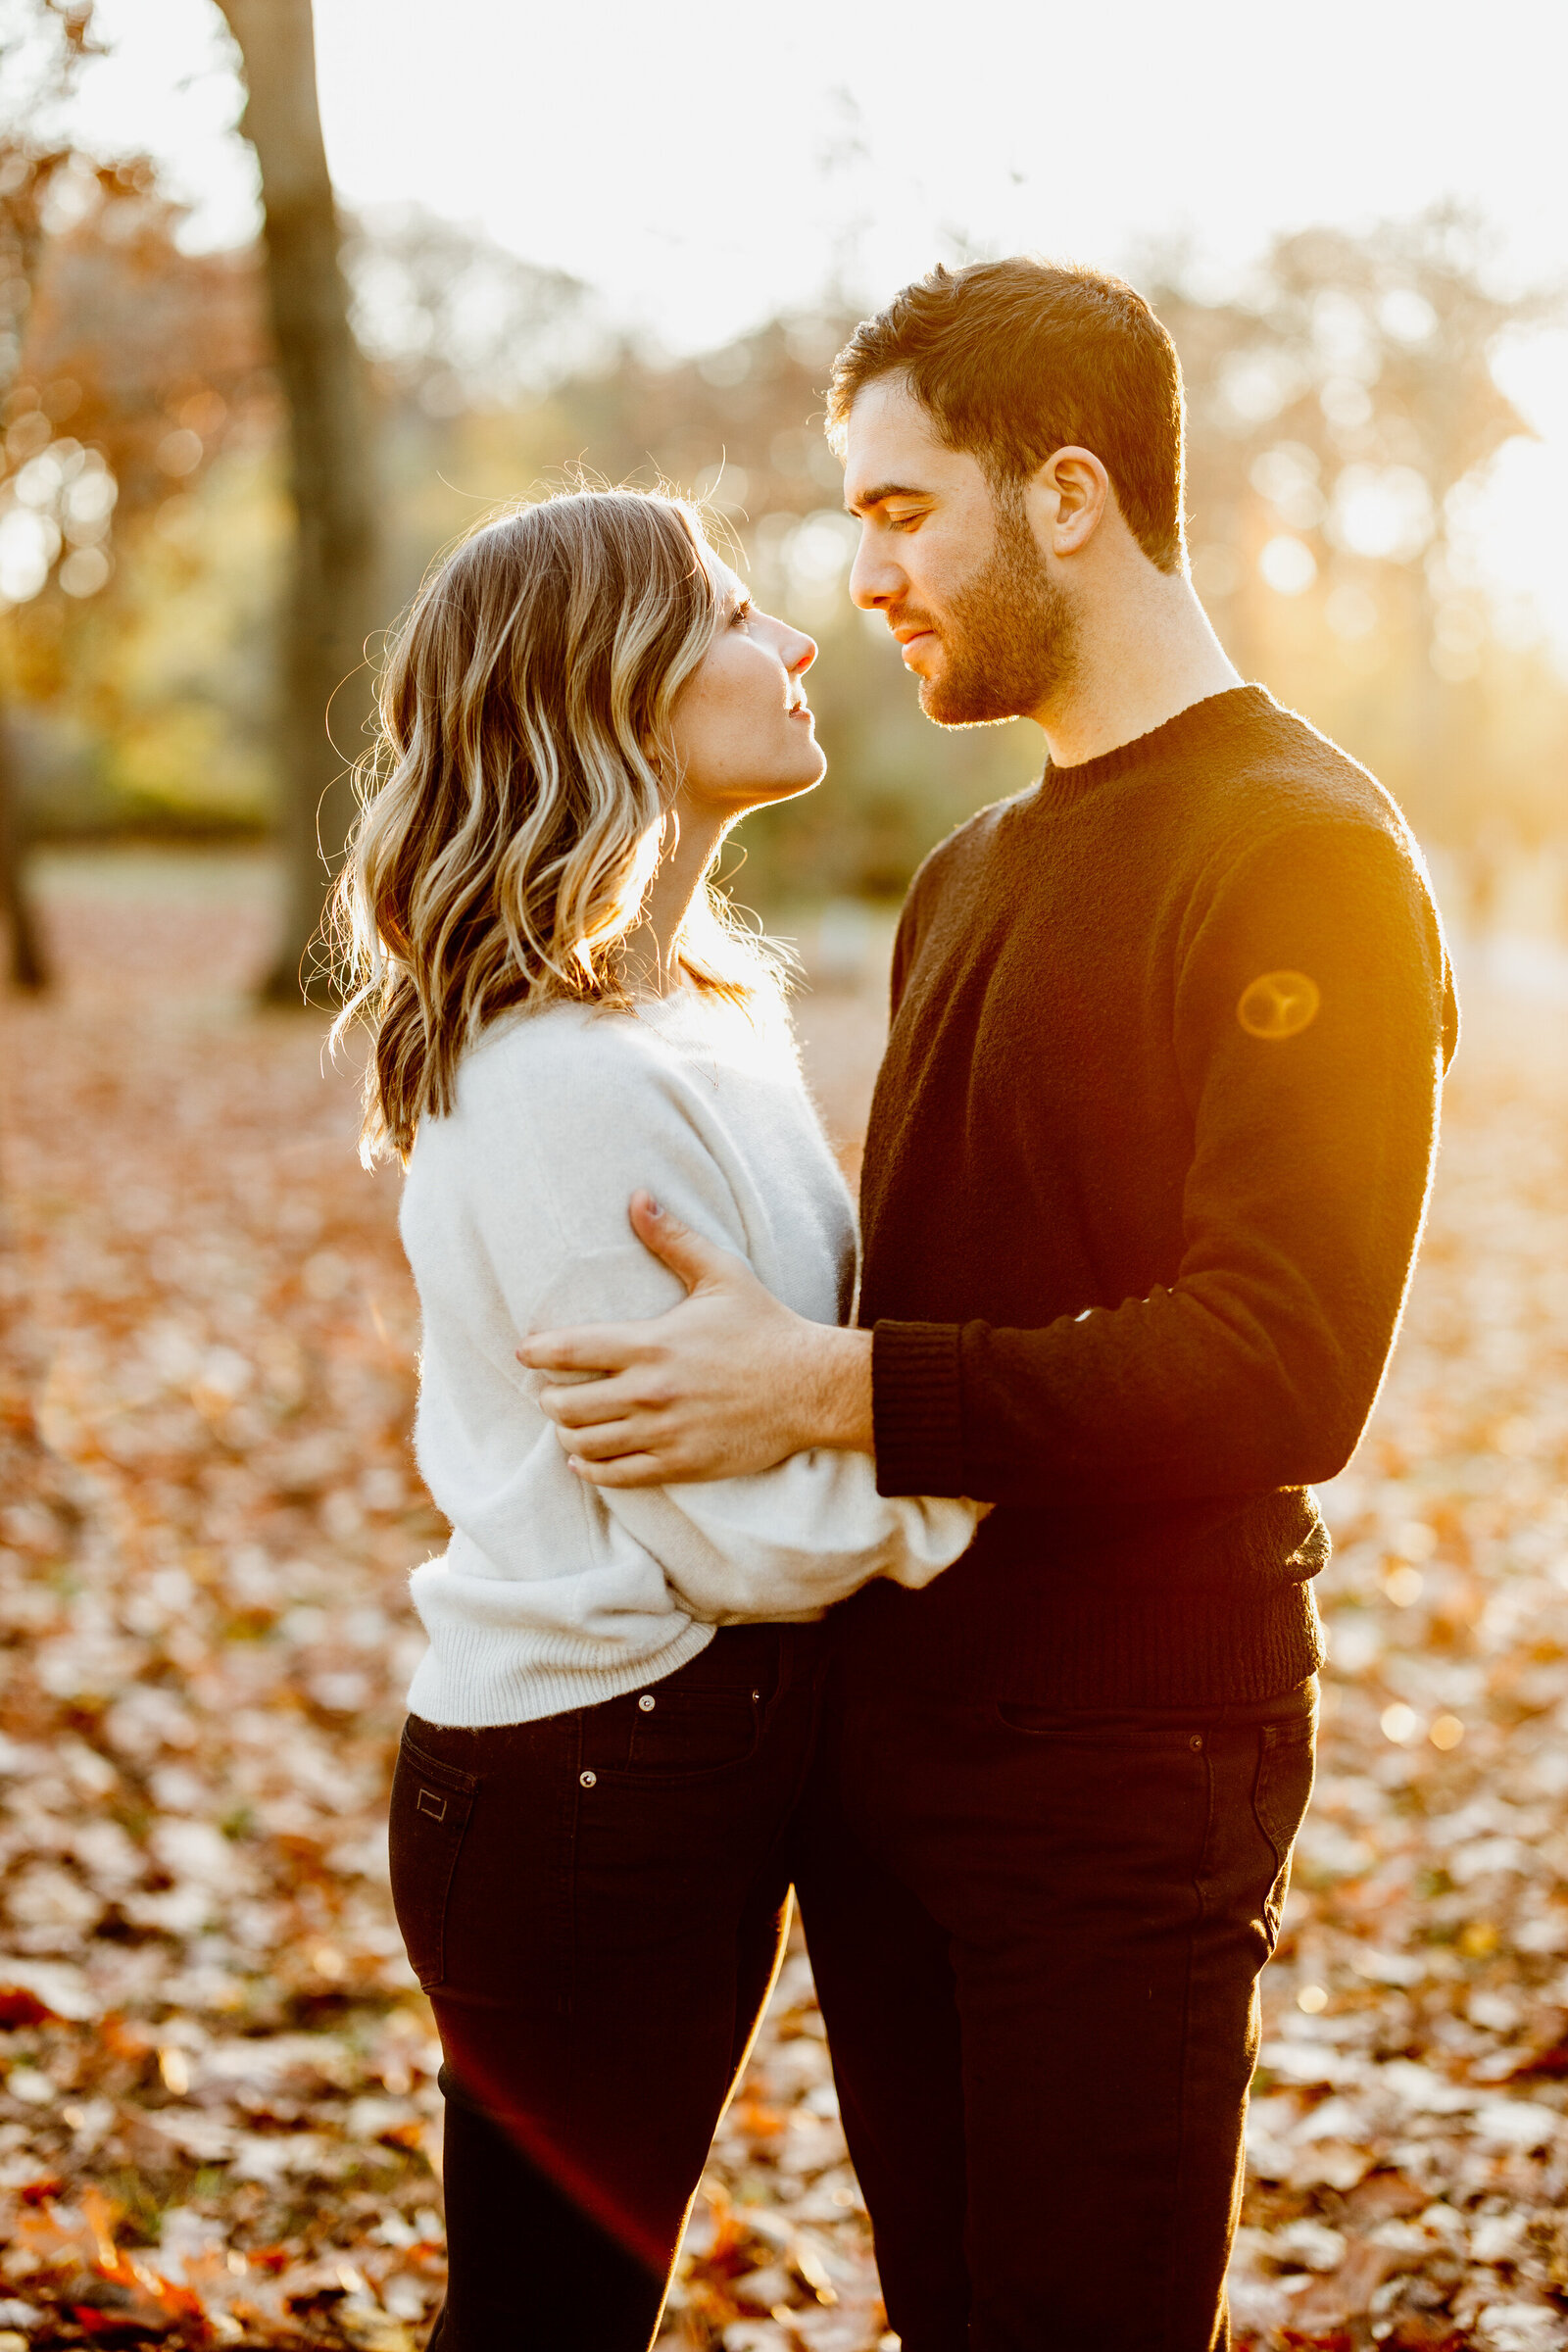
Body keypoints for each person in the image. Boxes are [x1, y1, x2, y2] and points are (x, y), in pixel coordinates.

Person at [520, 262, 1460, 2350]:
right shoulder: (968, 873)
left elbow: (1280, 1362)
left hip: (1127, 1766)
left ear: (1062, 496)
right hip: (891, 1754)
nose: (858, 572)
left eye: (894, 509)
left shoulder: (1295, 850)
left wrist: (827, 1394)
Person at [331, 487, 980, 2351]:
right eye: (735, 615)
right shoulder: (551, 1088)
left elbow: (797, 1378)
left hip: (688, 1768)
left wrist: (878, 1405)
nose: (796, 646)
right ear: (601, 687)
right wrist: (1014, 1444)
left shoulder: (706, 1017)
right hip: (578, 1786)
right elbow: (750, 1530)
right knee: (548, 2323)